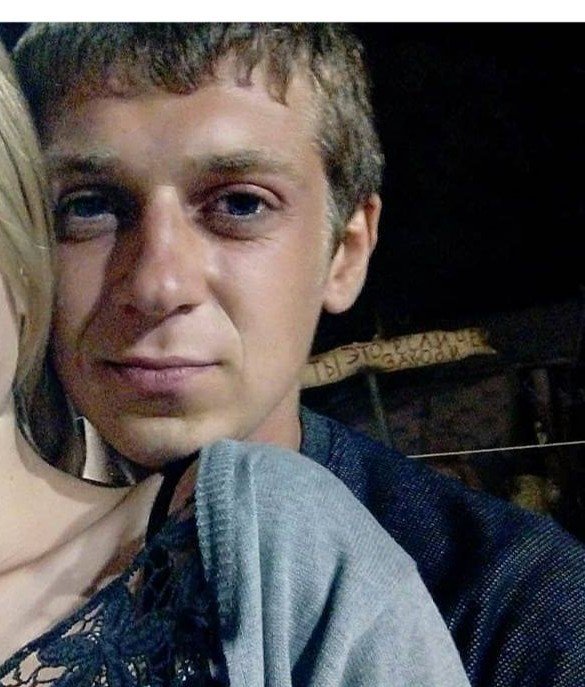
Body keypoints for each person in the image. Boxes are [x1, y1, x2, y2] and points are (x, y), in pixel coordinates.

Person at [12, 22, 585, 686]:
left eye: (239, 204)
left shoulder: (517, 611)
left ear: (345, 253)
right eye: (87, 207)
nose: (156, 284)